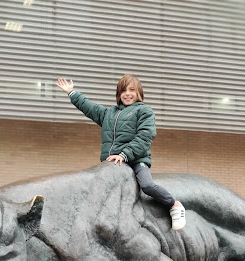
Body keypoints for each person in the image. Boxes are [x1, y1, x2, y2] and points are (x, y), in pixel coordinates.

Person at [56, 74, 186, 231]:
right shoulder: (109, 113)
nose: (127, 94)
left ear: (139, 93)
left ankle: (174, 205)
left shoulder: (144, 111)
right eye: (123, 91)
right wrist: (72, 92)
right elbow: (89, 107)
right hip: (113, 163)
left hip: (136, 160)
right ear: (118, 95)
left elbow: (145, 137)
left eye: (132, 90)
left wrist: (124, 154)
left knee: (147, 185)